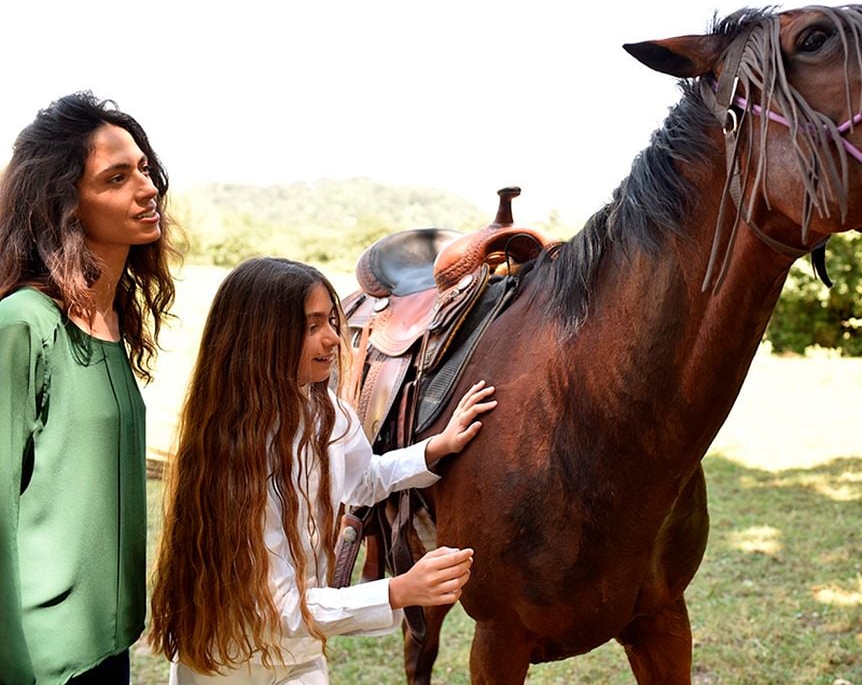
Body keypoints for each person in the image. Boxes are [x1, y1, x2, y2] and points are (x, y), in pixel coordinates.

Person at [148, 257, 496, 683]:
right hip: (228, 665)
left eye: (331, 320)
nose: (334, 337)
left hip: (300, 656)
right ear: (261, 338)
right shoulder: (233, 462)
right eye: (313, 326)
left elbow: (363, 479)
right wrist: (399, 590)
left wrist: (436, 448)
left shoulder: (323, 410)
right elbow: (277, 609)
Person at [0, 92, 179, 683]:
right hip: (38, 660)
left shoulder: (108, 321)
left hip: (109, 645)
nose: (147, 188)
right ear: (64, 203)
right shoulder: (24, 323)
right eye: (117, 177)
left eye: (145, 169)